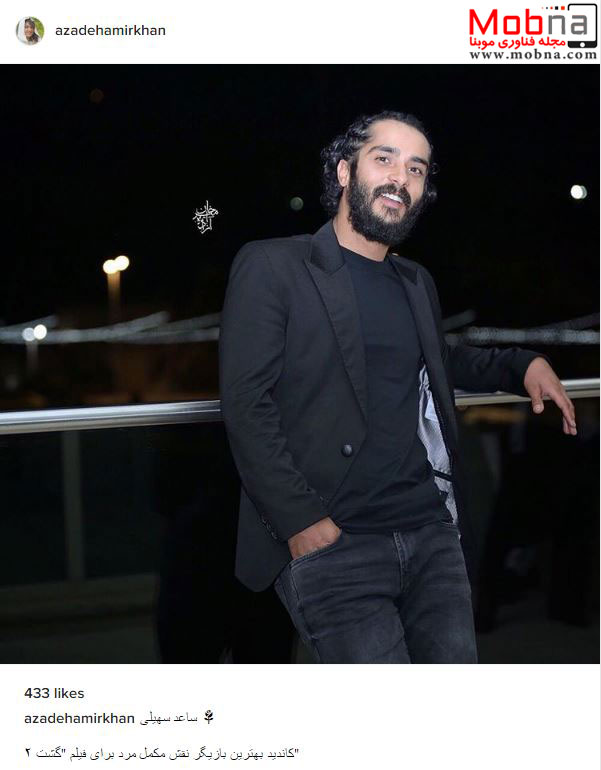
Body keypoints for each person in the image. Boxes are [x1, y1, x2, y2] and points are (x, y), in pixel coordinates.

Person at [218, 110, 577, 664]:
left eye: (416, 168)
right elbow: (247, 405)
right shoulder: (273, 266)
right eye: (383, 158)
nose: (399, 178)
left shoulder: (414, 280)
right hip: (335, 542)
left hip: (431, 534)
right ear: (344, 172)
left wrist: (522, 364)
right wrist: (302, 524)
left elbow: (439, 357)